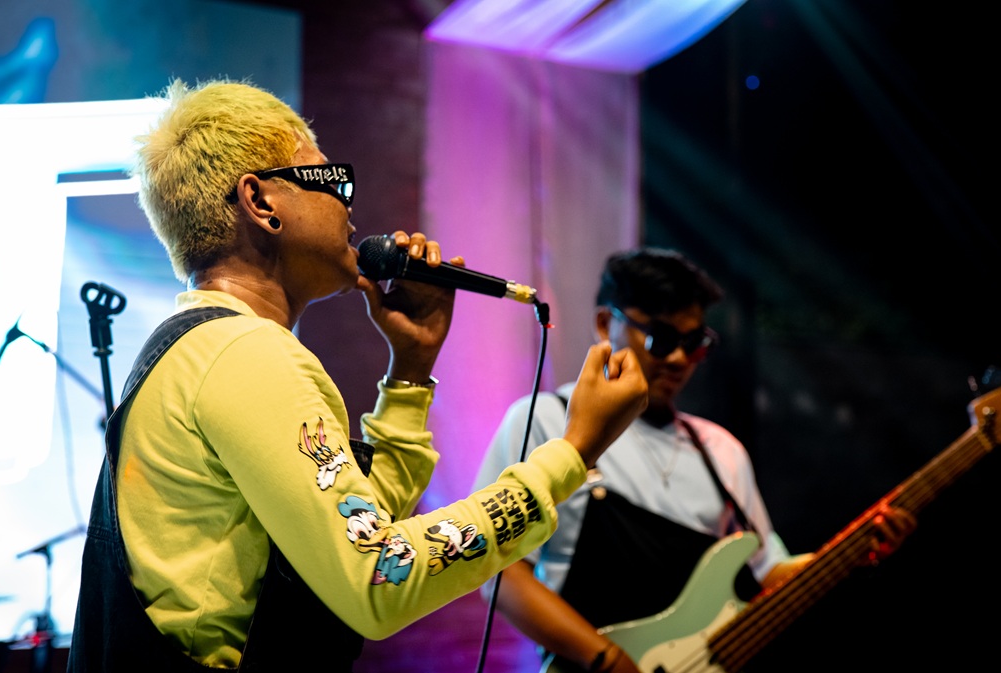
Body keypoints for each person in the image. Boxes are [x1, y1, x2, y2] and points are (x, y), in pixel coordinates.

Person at [66, 78, 648, 673]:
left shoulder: (195, 345)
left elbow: (357, 526)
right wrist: (572, 453)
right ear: (261, 202)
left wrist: (411, 371)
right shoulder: (244, 353)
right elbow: (378, 574)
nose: (348, 205)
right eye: (332, 180)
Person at [473, 246, 918, 673]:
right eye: (662, 338)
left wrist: (851, 553)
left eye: (695, 343)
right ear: (606, 323)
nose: (679, 359)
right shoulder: (547, 420)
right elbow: (499, 571)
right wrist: (607, 660)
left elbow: (763, 570)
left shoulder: (720, 450)